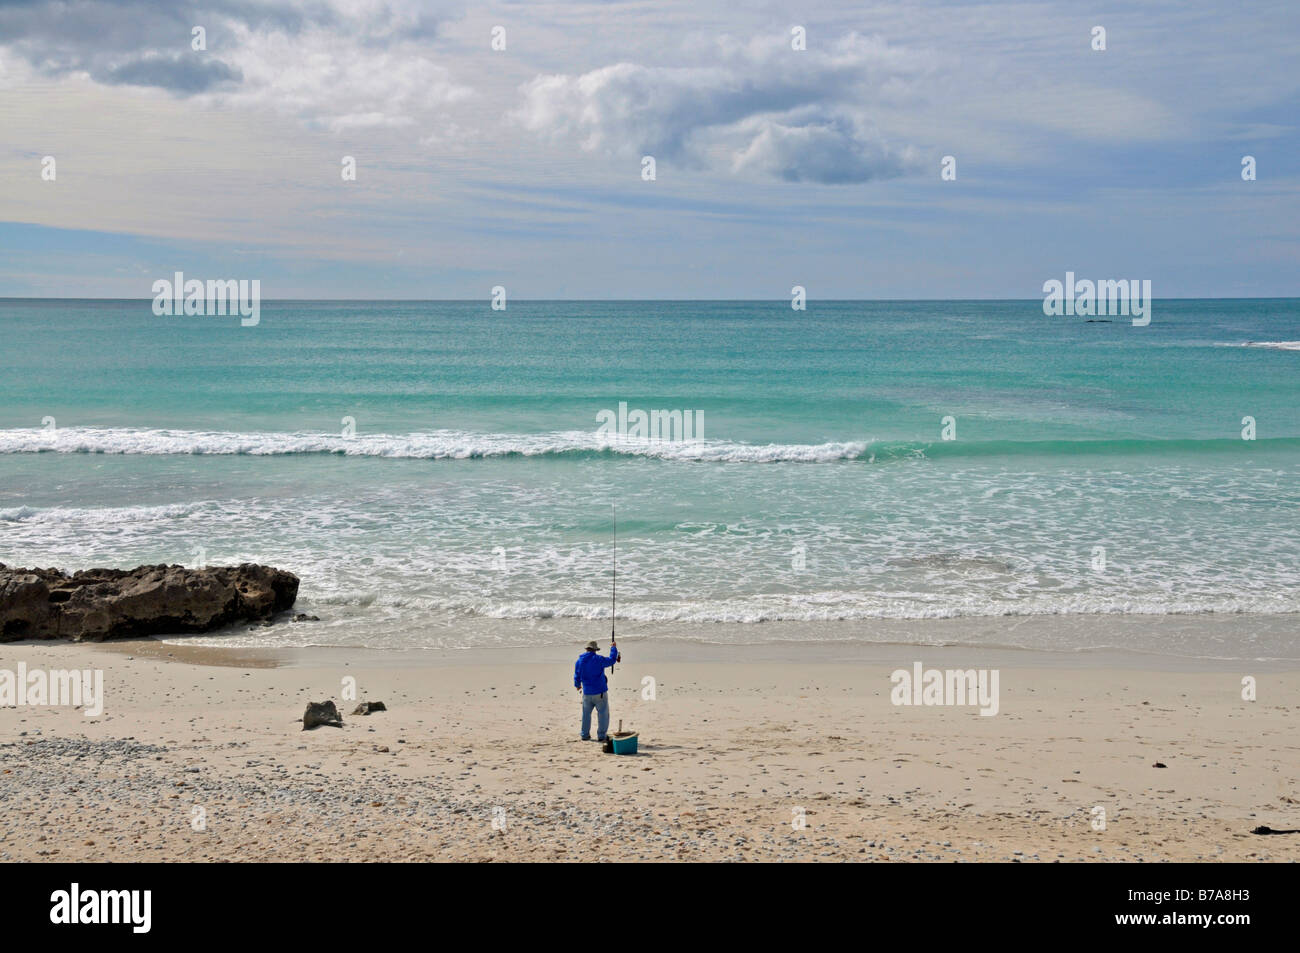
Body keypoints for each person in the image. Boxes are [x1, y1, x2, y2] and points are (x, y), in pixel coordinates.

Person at [574, 639, 619, 741]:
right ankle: (601, 736)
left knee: (586, 714)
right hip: (600, 692)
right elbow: (612, 660)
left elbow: (577, 675)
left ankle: (585, 735)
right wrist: (613, 648)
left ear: (586, 649)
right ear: (595, 650)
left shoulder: (579, 661)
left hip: (586, 692)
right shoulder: (598, 659)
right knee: (603, 714)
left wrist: (577, 685)